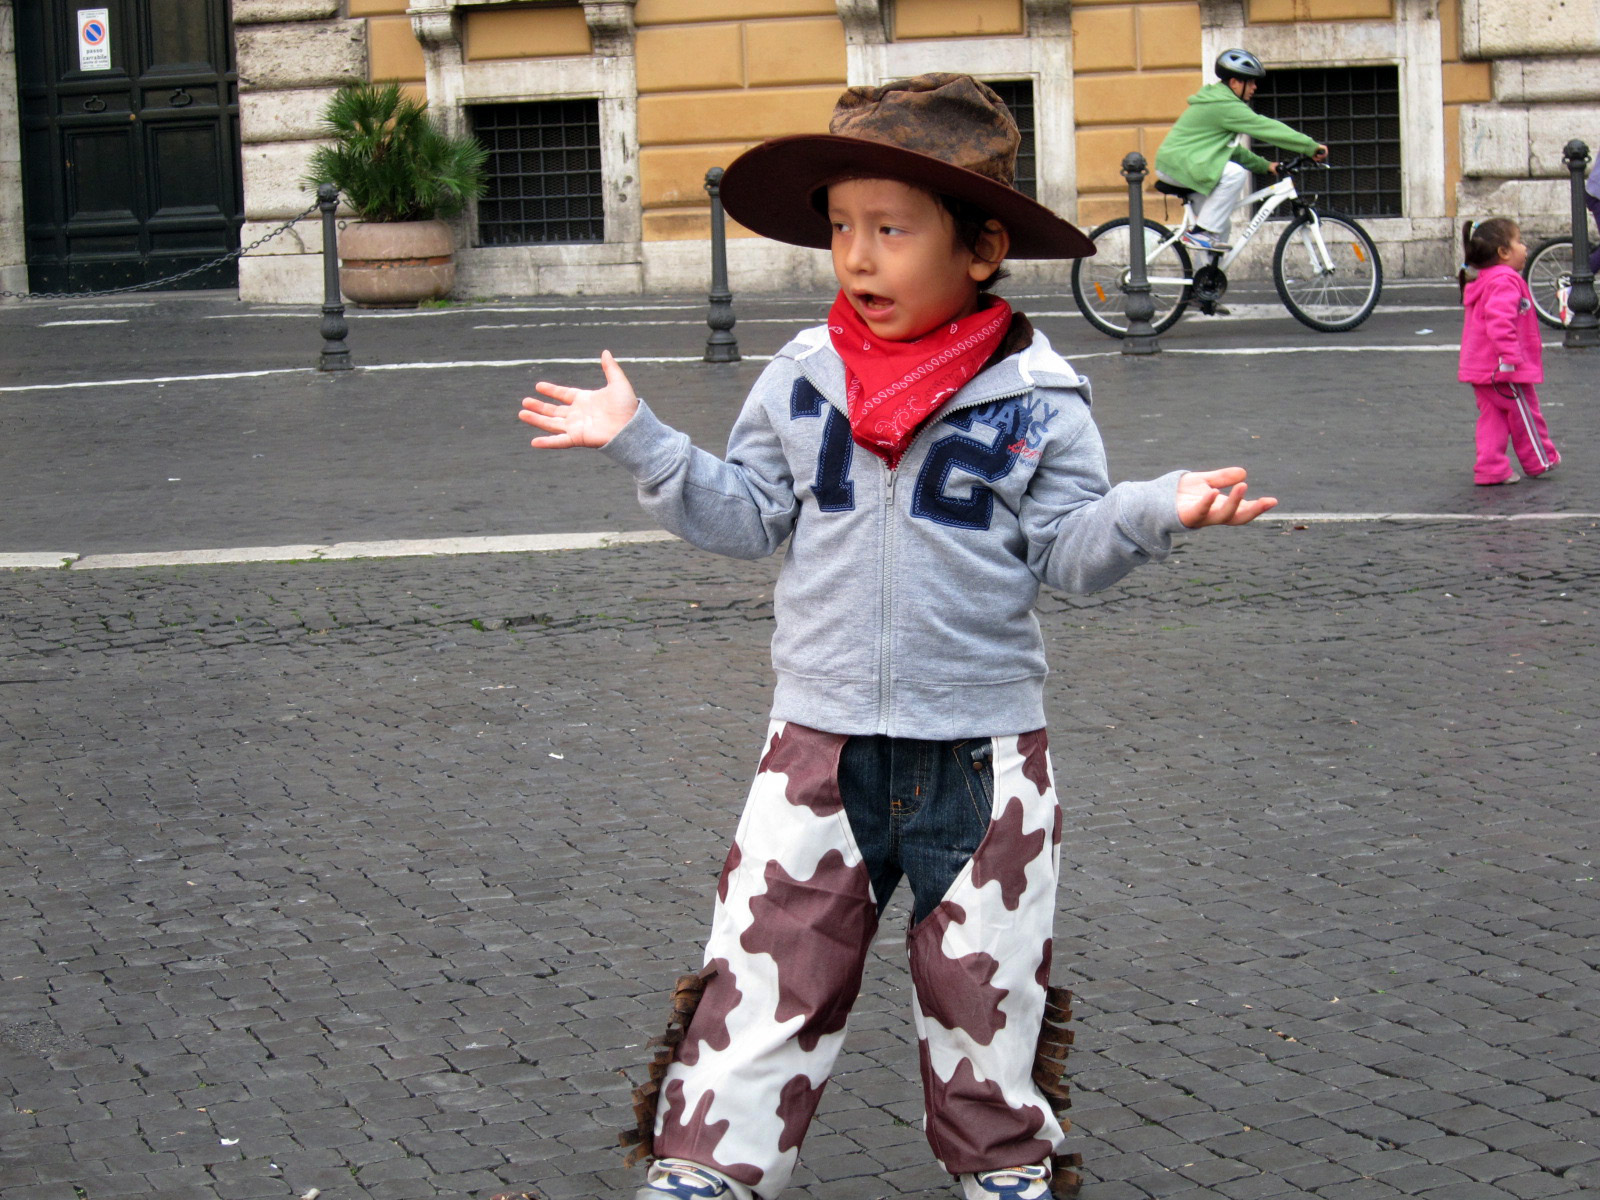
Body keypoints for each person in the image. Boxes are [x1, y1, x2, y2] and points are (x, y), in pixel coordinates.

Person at [516, 74, 1277, 1200]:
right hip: (816, 745)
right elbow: (748, 516)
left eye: (889, 230)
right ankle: (709, 1166)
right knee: (769, 962)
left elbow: (1065, 547)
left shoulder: (1039, 396)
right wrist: (647, 445)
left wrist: (1155, 509)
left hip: (982, 753)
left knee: (986, 981)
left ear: (978, 249)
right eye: (840, 230)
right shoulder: (799, 377)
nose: (857, 258)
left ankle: (1001, 1167)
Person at [1154, 49, 1328, 252]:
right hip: (1180, 166)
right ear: (1235, 82)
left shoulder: (1220, 101)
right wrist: (1309, 146)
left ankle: (1204, 280)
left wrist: (1265, 166)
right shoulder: (1226, 106)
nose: (1254, 87)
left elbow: (1230, 150)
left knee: (1219, 226)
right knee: (1235, 173)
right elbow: (1266, 127)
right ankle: (1201, 233)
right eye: (1251, 82)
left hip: (1184, 166)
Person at [1458, 218, 1560, 485]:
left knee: (1493, 418)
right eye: (1519, 241)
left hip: (1481, 368)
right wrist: (1510, 356)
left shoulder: (1485, 280)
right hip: (1503, 369)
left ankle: (1491, 468)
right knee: (1525, 414)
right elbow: (1499, 321)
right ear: (1503, 252)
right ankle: (1540, 460)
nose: (1525, 247)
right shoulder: (1505, 280)